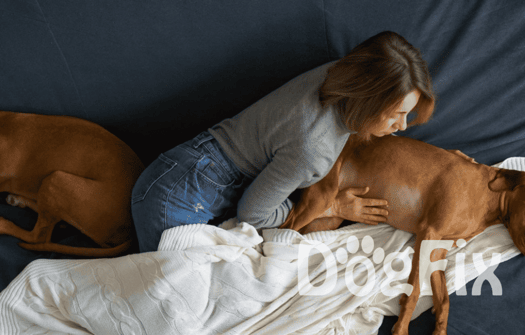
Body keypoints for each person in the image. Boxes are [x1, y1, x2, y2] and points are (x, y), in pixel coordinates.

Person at [131, 31, 436, 253]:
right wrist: (332, 206)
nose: (402, 126)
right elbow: (253, 215)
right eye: (396, 114)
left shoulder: (342, 72)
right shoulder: (313, 148)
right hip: (177, 200)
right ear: (367, 99)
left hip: (183, 169)